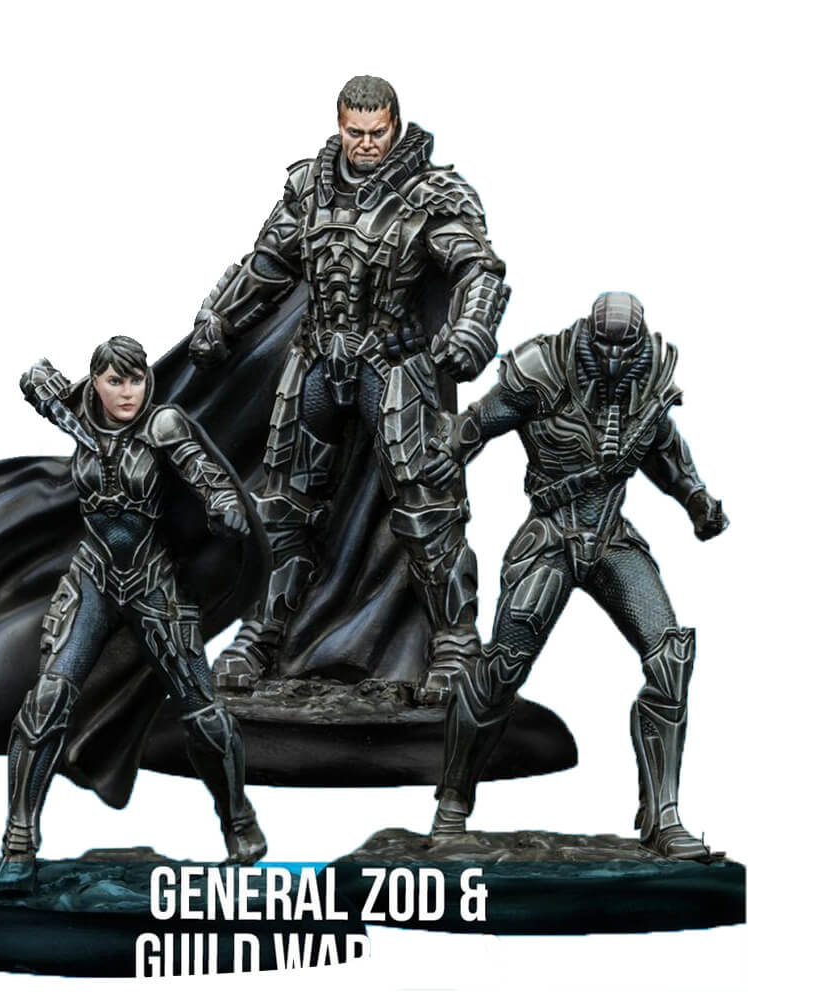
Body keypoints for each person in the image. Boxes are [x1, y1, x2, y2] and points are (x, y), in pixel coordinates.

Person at [189, 75, 510, 703]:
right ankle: (263, 631)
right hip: (315, 359)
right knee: (282, 505)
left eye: (377, 132)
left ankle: (454, 639)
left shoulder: (427, 192)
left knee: (424, 502)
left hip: (390, 362)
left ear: (395, 126)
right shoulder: (309, 187)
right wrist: (219, 316)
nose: (365, 144)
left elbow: (478, 267)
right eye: (355, 132)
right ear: (340, 126)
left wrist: (473, 328)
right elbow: (269, 263)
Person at [425, 292, 727, 859]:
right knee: (502, 668)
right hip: (550, 538)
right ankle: (452, 805)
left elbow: (666, 455)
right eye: (603, 347)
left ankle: (663, 817)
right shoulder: (542, 372)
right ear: (588, 336)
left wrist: (697, 501)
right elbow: (475, 426)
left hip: (611, 538)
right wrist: (440, 461)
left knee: (670, 657)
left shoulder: (648, 387)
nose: (612, 360)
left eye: (624, 349)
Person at [0, 336, 267, 891]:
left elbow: (205, 473)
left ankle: (240, 824)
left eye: (136, 379)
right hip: (92, 578)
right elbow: (34, 378)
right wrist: (44, 385)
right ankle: (18, 841)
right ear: (95, 383)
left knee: (204, 713)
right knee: (45, 703)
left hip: (151, 581)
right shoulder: (79, 415)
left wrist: (223, 504)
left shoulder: (162, 424)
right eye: (115, 380)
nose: (127, 392)